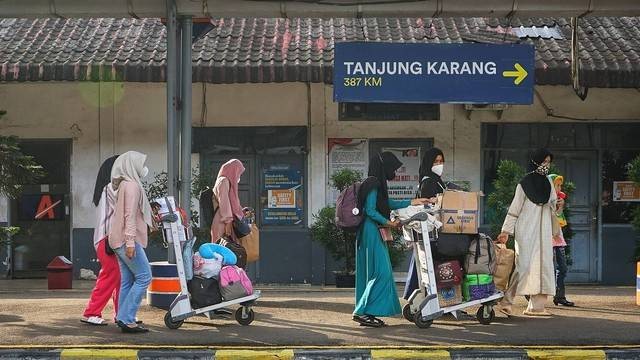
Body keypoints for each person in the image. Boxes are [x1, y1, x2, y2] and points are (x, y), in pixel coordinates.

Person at [352, 152, 429, 327]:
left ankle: (366, 312)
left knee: (373, 273)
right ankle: (361, 312)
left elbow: (388, 204)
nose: (394, 172)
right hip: (371, 231)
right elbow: (370, 210)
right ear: (384, 166)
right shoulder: (373, 183)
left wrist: (412, 201)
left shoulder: (376, 183)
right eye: (393, 168)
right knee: (382, 273)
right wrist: (390, 223)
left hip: (372, 231)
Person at [496, 148, 560, 317]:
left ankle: (536, 307)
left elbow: (553, 206)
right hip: (526, 232)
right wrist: (506, 231)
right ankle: (506, 302)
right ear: (536, 162)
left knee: (543, 267)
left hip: (543, 232)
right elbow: (514, 209)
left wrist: (557, 208)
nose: (546, 165)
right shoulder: (524, 184)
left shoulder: (548, 183)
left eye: (548, 162)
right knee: (522, 267)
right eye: (543, 161)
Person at [109, 151, 154, 333]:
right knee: (144, 277)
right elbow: (129, 215)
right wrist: (129, 242)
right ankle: (127, 319)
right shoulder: (133, 186)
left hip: (117, 238)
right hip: (127, 239)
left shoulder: (124, 185)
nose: (142, 166)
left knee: (128, 280)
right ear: (132, 165)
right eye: (140, 163)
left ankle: (122, 317)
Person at [81, 155, 120, 326]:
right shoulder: (111, 189)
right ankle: (91, 312)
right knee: (110, 275)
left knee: (119, 277)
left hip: (106, 239)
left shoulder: (105, 189)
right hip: (107, 240)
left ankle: (122, 314)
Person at [403, 147, 445, 300]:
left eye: (441, 161)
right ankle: (418, 295)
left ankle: (416, 294)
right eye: (436, 162)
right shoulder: (428, 182)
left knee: (423, 262)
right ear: (429, 163)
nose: (439, 165)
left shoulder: (437, 180)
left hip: (433, 230)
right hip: (429, 230)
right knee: (425, 263)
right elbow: (425, 205)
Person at [548, 174, 575, 307]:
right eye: (556, 185)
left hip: (558, 239)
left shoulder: (559, 201)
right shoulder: (545, 201)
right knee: (550, 269)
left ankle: (559, 296)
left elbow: (562, 222)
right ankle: (533, 294)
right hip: (547, 240)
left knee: (562, 268)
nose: (559, 188)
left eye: (560, 185)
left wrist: (560, 208)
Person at [211, 159, 246, 242]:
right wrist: (228, 222)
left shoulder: (225, 181)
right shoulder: (224, 181)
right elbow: (224, 203)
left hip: (224, 219)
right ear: (233, 170)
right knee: (222, 249)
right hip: (223, 221)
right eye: (238, 173)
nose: (238, 176)